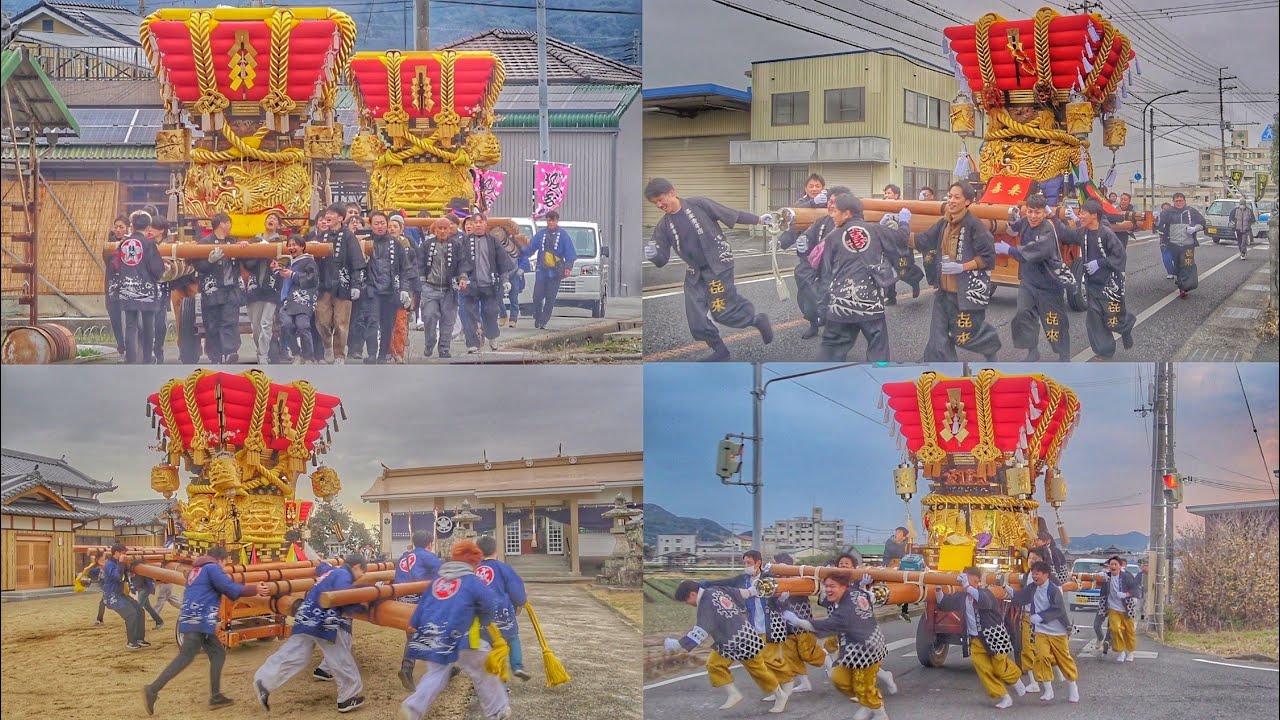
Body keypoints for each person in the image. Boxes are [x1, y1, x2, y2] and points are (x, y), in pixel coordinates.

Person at [643, 178, 773, 361]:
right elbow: (661, 258)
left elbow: (729, 213)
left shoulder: (698, 204)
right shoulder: (663, 226)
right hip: (695, 273)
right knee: (695, 317)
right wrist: (653, 254)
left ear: (671, 192)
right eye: (654, 202)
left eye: (660, 199)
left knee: (722, 311)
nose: (659, 204)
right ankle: (720, 351)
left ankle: (756, 319)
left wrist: (758, 219)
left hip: (717, 265)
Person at [142, 547, 270, 714]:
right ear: (221, 560)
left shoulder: (196, 570)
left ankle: (215, 696)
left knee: (218, 653)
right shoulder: (212, 568)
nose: (223, 568)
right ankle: (152, 689)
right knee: (185, 657)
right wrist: (255, 589)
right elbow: (228, 587)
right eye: (225, 564)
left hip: (193, 618)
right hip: (200, 620)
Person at [399, 540, 510, 720]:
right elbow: (488, 605)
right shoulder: (472, 582)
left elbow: (424, 603)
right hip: (464, 636)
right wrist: (486, 620)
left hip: (435, 636)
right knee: (483, 672)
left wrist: (415, 622)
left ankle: (413, 707)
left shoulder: (437, 581)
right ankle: (497, 711)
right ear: (474, 562)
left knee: (436, 674)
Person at [254, 554, 368, 713]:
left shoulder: (332, 572)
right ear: (356, 567)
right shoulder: (343, 575)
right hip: (323, 621)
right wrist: (363, 608)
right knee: (339, 656)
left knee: (296, 654)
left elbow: (321, 567)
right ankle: (348, 697)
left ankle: (264, 680)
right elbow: (345, 597)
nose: (360, 577)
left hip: (306, 615)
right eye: (361, 573)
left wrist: (321, 563)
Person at [666, 579, 792, 712]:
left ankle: (780, 695)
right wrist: (752, 591)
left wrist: (678, 645)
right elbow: (739, 593)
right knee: (714, 664)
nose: (688, 604)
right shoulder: (716, 589)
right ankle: (733, 693)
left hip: (742, 639)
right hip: (728, 641)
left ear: (692, 594)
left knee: (758, 671)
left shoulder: (705, 604)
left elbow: (701, 630)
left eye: (686, 601)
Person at [813, 194, 908, 362]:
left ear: (847, 213)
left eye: (835, 211)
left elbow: (825, 274)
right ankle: (880, 380)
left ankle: (824, 381)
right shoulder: (876, 230)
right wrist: (904, 221)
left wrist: (822, 308)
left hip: (840, 306)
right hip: (870, 305)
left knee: (831, 352)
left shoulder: (833, 237)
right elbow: (901, 240)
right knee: (878, 350)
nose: (832, 215)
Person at [914, 182, 1001, 362]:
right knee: (937, 338)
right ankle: (943, 374)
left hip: (962, 293)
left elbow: (988, 257)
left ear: (968, 201)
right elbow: (924, 240)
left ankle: (990, 348)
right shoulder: (944, 222)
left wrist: (962, 266)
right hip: (943, 291)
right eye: (949, 196)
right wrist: (897, 230)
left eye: (956, 197)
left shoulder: (974, 225)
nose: (951, 201)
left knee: (965, 336)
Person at [784, 573, 890, 720]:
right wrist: (863, 587)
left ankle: (880, 713)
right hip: (852, 648)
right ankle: (866, 703)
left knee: (863, 686)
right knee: (839, 678)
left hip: (868, 650)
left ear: (843, 587)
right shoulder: (853, 592)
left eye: (832, 586)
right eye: (826, 586)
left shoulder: (846, 610)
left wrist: (797, 621)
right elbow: (867, 595)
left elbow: (825, 625)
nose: (828, 589)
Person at [996, 195, 1073, 362]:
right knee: (1024, 315)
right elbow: (1011, 229)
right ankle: (1032, 350)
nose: (1033, 216)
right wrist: (999, 224)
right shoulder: (1024, 221)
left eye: (1037, 212)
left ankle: (1064, 355)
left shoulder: (1047, 230)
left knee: (1054, 321)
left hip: (1049, 284)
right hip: (1028, 281)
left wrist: (1008, 250)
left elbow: (1036, 250)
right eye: (1030, 211)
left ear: (1044, 213)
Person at [936, 567, 1026, 708]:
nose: (968, 583)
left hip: (995, 635)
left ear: (977, 581)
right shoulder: (962, 596)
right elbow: (945, 603)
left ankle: (1015, 679)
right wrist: (938, 589)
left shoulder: (985, 593)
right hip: (976, 640)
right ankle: (1004, 696)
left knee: (999, 667)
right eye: (965, 580)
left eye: (971, 581)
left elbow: (983, 602)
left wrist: (967, 586)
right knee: (984, 670)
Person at [778, 185, 850, 339]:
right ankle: (813, 321)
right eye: (830, 201)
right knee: (803, 279)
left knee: (832, 294)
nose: (831, 205)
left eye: (836, 202)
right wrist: (803, 244)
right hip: (817, 263)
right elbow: (809, 237)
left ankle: (837, 327)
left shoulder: (852, 223)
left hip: (838, 267)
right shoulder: (822, 220)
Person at [1066, 200, 1135, 359]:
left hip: (1110, 284)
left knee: (1112, 318)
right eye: (1080, 212)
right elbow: (1066, 234)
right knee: (1095, 320)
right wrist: (1052, 216)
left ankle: (1126, 326)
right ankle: (1105, 351)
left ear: (1094, 215)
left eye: (1083, 213)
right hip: (1092, 284)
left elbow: (1120, 256)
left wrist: (1099, 263)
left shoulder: (1106, 233)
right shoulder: (1083, 232)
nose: (1080, 215)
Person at [1011, 560, 1080, 703]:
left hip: (1057, 631)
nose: (1034, 576)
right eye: (1033, 574)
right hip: (1040, 630)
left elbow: (1058, 610)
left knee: (1064, 659)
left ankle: (1073, 686)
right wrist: (1005, 587)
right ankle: (1048, 690)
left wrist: (1040, 616)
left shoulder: (1053, 589)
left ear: (1046, 575)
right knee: (1041, 657)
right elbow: (1020, 598)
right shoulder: (1032, 588)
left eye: (1037, 574)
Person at [315, 203, 368, 364]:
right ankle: (327, 347)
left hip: (343, 284)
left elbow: (356, 261)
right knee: (321, 319)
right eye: (327, 213)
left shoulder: (348, 236)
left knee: (341, 322)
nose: (328, 216)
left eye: (332, 213)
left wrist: (356, 285)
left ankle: (339, 354)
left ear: (340, 217)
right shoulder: (321, 236)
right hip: (324, 285)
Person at [770, 554, 829, 696]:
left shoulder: (800, 579)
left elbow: (813, 585)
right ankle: (804, 683)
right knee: (791, 655)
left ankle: (830, 665)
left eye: (775, 564)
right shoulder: (774, 581)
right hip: (784, 624)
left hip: (801, 621)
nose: (773, 566)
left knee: (808, 652)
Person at [475, 535, 531, 681]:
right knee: (512, 639)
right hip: (503, 612)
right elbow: (517, 593)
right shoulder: (505, 569)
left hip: (481, 617)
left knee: (488, 646)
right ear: (496, 550)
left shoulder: (473, 570)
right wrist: (521, 600)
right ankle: (517, 666)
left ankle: (497, 681)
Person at [361, 210, 413, 364]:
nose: (380, 226)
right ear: (371, 225)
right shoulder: (365, 242)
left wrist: (404, 288)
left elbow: (405, 268)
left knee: (387, 324)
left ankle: (383, 354)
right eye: (376, 223)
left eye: (383, 223)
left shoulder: (395, 243)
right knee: (372, 321)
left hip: (391, 289)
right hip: (372, 289)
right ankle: (371, 353)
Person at [192, 213, 246, 363]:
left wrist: (243, 247)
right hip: (212, 290)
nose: (230, 226)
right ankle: (215, 357)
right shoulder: (204, 243)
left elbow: (245, 261)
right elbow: (197, 266)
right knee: (212, 324)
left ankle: (230, 352)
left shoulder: (233, 241)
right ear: (223, 223)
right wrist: (209, 261)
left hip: (230, 289)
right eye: (229, 223)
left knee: (230, 321)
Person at [113, 211, 164, 364]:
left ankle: (131, 359)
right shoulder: (149, 244)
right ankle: (147, 359)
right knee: (148, 324)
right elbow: (156, 268)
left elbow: (116, 265)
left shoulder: (123, 243)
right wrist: (161, 273)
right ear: (148, 227)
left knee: (130, 324)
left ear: (132, 226)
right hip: (146, 290)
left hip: (127, 287)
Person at [460, 214, 516, 353]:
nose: (478, 225)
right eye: (475, 222)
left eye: (481, 222)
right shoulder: (464, 241)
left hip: (490, 284)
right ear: (471, 225)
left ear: (485, 224)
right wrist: (461, 278)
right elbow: (459, 263)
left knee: (490, 312)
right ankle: (473, 343)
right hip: (470, 285)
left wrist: (505, 280)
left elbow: (502, 262)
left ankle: (492, 336)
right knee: (470, 314)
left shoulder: (493, 241)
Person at [395, 531, 443, 691]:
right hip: (419, 601)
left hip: (402, 600)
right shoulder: (428, 556)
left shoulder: (404, 557)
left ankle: (443, 667)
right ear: (429, 543)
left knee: (417, 635)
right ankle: (408, 669)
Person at [418, 218, 471, 359]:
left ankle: (444, 348)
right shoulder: (426, 245)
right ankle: (429, 342)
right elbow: (419, 265)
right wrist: (422, 283)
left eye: (445, 228)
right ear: (434, 230)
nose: (442, 231)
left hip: (449, 289)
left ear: (450, 229)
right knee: (429, 316)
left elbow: (463, 264)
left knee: (448, 320)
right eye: (439, 228)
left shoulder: (457, 245)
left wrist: (463, 278)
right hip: (430, 288)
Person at [242, 213, 284, 365]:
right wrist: (249, 248)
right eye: (269, 218)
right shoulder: (254, 240)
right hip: (254, 287)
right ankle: (260, 349)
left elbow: (285, 262)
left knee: (266, 323)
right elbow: (246, 263)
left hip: (271, 287)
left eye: (275, 219)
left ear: (278, 225)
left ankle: (263, 354)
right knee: (256, 325)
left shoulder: (282, 243)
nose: (271, 220)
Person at [526, 210, 577, 330]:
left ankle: (544, 320)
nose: (550, 223)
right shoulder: (541, 235)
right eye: (548, 220)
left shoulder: (563, 235)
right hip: (542, 270)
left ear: (557, 220)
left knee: (550, 298)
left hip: (555, 271)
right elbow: (530, 248)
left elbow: (570, 253)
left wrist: (568, 267)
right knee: (537, 297)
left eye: (553, 220)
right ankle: (538, 317)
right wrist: (519, 249)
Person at [273, 235, 320, 364]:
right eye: (289, 245)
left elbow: (313, 279)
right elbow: (280, 282)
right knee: (286, 325)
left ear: (302, 246)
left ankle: (308, 356)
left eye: (295, 245)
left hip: (302, 300)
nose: (292, 247)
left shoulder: (309, 261)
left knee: (303, 326)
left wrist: (293, 274)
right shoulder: (288, 262)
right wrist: (277, 270)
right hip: (287, 301)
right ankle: (297, 353)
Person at [878, 184, 923, 305]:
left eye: (889, 193)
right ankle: (891, 297)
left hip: (902, 245)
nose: (886, 195)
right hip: (887, 246)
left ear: (896, 195)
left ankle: (915, 279)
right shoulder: (880, 207)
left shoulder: (904, 208)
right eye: (885, 193)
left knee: (903, 269)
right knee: (886, 271)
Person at [1156, 193, 1207, 298]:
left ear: (1185, 201)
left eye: (1181, 200)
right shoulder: (1168, 212)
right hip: (1173, 244)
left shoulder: (1191, 211)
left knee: (1187, 264)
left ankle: (1185, 287)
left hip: (1188, 244)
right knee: (1178, 265)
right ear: (1173, 202)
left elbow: (1202, 223)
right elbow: (1159, 224)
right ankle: (1181, 285)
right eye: (1176, 201)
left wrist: (1194, 228)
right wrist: (1155, 219)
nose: (1179, 203)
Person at [102, 543, 149, 650]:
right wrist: (121, 563)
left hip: (121, 594)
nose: (125, 555)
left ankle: (139, 639)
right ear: (117, 553)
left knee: (139, 611)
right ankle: (131, 642)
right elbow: (118, 577)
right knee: (131, 614)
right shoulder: (109, 564)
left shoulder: (120, 563)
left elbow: (127, 574)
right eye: (123, 553)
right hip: (111, 596)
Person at [1098, 555, 1140, 663]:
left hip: (1126, 607)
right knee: (1115, 629)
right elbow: (1101, 589)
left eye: (1115, 564)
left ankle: (1130, 651)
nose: (1113, 566)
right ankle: (1121, 651)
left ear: (1120, 566)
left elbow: (1135, 588)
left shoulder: (1126, 576)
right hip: (1113, 607)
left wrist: (1126, 594)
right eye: (1111, 564)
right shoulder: (1107, 577)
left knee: (1129, 630)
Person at [388, 215, 416, 363]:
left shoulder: (408, 247)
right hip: (384, 289)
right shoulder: (379, 244)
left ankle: (399, 352)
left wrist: (410, 289)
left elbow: (411, 269)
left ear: (401, 229)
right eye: (390, 226)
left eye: (395, 226)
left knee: (400, 323)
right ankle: (387, 351)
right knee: (385, 323)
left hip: (402, 287)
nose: (392, 229)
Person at [105, 216, 129, 355]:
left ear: (127, 227)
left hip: (129, 287)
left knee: (130, 319)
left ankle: (130, 347)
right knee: (115, 317)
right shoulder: (109, 245)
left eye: (121, 227)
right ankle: (121, 347)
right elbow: (109, 263)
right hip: (114, 287)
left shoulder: (132, 243)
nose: (118, 230)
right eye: (116, 227)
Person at [130, 564, 166, 629]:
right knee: (147, 607)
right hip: (142, 589)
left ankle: (134, 627)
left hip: (144, 589)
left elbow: (148, 579)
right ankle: (159, 621)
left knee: (138, 608)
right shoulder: (133, 567)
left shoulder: (140, 567)